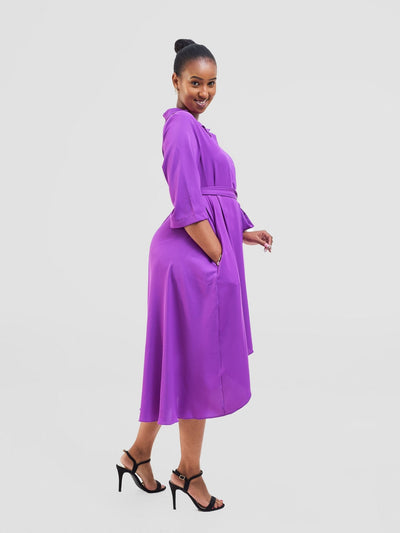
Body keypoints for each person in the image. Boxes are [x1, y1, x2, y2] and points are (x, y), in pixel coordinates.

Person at [116, 38, 273, 512]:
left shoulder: (198, 129)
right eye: (195, 83)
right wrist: (220, 253)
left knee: (179, 361)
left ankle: (137, 455)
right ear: (176, 81)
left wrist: (242, 231)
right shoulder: (181, 127)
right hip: (192, 256)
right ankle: (188, 473)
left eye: (211, 83)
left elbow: (216, 195)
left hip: (199, 252)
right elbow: (187, 204)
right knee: (198, 368)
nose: (204, 92)